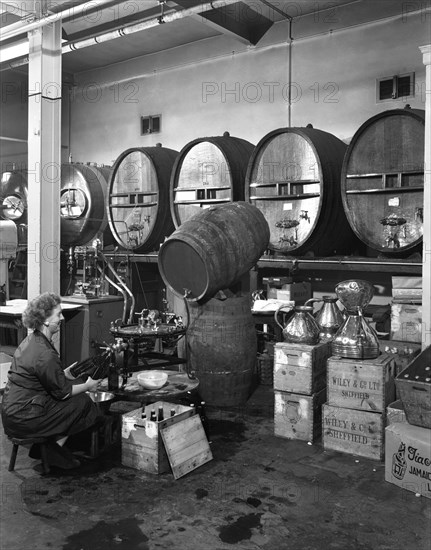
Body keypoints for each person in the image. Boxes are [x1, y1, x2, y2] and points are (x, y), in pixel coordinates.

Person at [1, 292, 104, 470]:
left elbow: (37, 377)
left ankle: (49, 448)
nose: (62, 318)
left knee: (75, 400)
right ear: (46, 320)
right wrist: (89, 385)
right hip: (24, 417)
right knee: (82, 402)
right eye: (58, 314)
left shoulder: (32, 340)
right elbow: (63, 394)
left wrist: (63, 373)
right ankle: (51, 450)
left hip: (13, 412)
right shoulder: (45, 353)